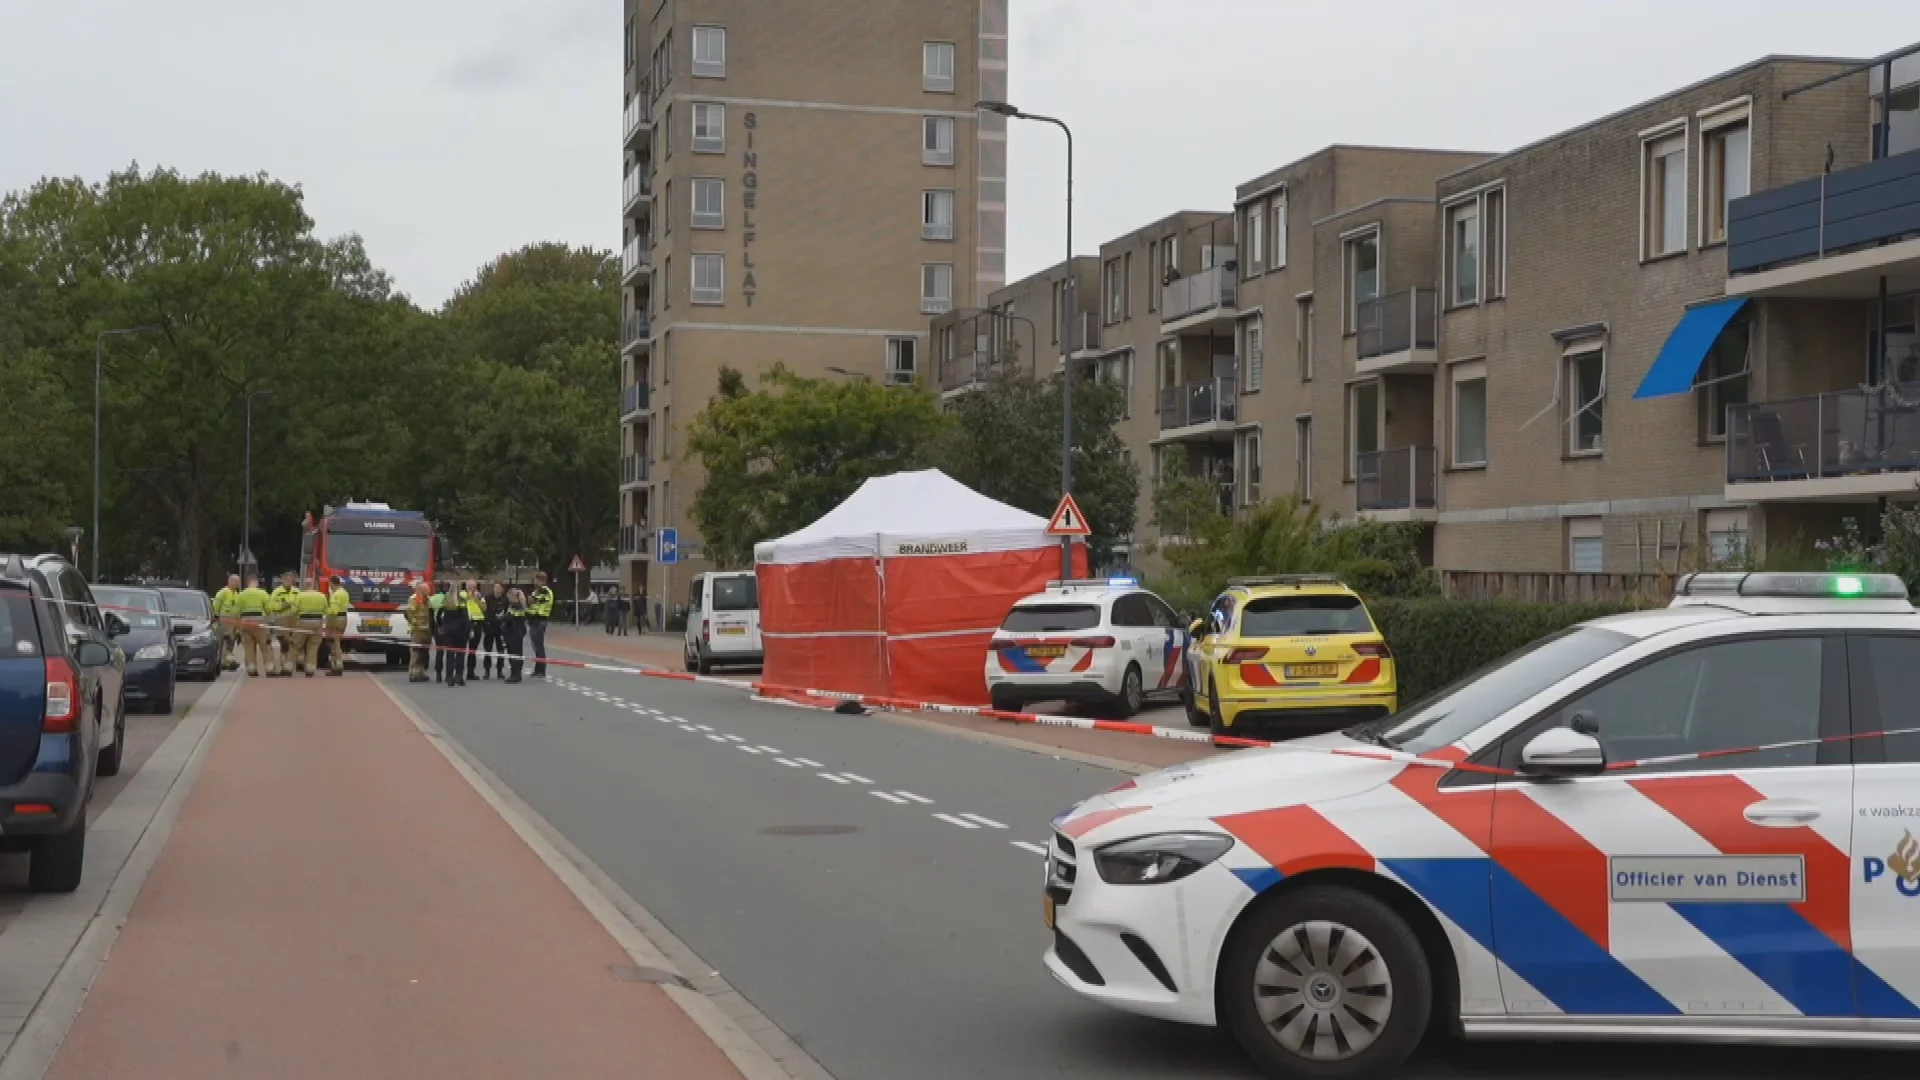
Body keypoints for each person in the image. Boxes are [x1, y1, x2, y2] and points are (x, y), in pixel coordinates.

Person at [236, 575, 272, 677]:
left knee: (249, 647)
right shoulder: (262, 593)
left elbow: (237, 611)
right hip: (259, 622)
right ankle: (269, 668)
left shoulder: (241, 595)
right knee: (265, 646)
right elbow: (268, 609)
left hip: (245, 622)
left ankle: (252, 669)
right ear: (256, 583)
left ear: (248, 583)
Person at [293, 577, 329, 676]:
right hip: (317, 623)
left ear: (305, 585)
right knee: (313, 647)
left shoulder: (300, 596)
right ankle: (310, 669)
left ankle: (293, 665)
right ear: (313, 585)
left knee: (297, 645)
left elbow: (294, 610)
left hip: (303, 622)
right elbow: (326, 611)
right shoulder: (321, 596)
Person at [266, 572, 299, 677]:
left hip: (294, 619)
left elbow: (300, 604)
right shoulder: (277, 592)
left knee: (293, 642)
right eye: (287, 580)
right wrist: (283, 606)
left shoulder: (297, 592)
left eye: (291, 580)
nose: (289, 582)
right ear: (282, 580)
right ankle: (281, 664)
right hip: (281, 618)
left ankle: (288, 665)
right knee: (283, 641)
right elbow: (272, 606)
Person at [439, 581, 471, 687]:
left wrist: (441, 626)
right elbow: (465, 618)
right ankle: (459, 676)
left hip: (448, 631)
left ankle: (449, 677)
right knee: (460, 654)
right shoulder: (461, 601)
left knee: (450, 655)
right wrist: (468, 631)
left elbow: (438, 615)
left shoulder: (446, 600)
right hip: (460, 631)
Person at [404, 582, 434, 683]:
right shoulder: (414, 599)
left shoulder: (428, 600)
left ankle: (421, 672)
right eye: (427, 589)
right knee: (415, 653)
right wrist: (414, 623)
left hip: (426, 630)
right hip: (417, 631)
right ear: (421, 590)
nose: (429, 591)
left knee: (423, 654)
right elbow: (409, 613)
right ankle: (413, 673)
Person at [211, 573, 242, 671]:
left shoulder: (237, 594)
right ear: (230, 581)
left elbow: (238, 609)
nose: (237, 584)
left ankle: (226, 662)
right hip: (224, 621)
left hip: (234, 622)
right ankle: (227, 662)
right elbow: (216, 605)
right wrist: (215, 617)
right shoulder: (223, 592)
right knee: (225, 641)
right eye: (236, 582)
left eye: (238, 582)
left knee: (231, 642)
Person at [527, 571, 554, 677]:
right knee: (535, 646)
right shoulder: (537, 591)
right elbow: (531, 604)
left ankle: (541, 670)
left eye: (536, 580)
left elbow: (537, 601)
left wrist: (532, 599)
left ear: (542, 580)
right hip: (534, 620)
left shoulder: (545, 591)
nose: (535, 582)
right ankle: (537, 669)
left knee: (539, 646)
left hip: (540, 620)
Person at [324, 575, 351, 676]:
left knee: (334, 644)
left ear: (332, 583)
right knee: (337, 642)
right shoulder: (344, 592)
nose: (329, 586)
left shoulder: (336, 595)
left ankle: (337, 666)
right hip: (343, 618)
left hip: (336, 619)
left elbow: (333, 611)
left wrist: (326, 612)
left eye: (329, 584)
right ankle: (337, 665)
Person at [480, 581, 508, 678]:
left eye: (498, 588)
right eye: (495, 588)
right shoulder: (487, 598)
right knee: (488, 649)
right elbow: (483, 610)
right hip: (489, 627)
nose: (497, 590)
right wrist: (486, 623)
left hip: (500, 628)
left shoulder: (505, 600)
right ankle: (487, 671)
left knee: (501, 650)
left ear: (502, 589)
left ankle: (500, 670)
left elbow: (507, 612)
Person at [502, 588, 529, 683]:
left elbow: (511, 617)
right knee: (512, 653)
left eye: (509, 596)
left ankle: (516, 674)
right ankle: (514, 673)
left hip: (515, 632)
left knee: (515, 653)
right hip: (512, 632)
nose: (508, 598)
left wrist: (502, 618)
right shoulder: (513, 605)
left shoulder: (518, 606)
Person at [462, 579, 485, 680]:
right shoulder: (462, 595)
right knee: (461, 648)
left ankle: (470, 672)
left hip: (476, 624)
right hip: (465, 624)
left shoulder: (479, 595)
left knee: (472, 650)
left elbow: (484, 608)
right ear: (466, 587)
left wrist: (476, 599)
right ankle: (459, 671)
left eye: (474, 587)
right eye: (470, 586)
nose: (472, 589)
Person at [429, 583, 449, 683]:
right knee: (450, 652)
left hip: (438, 627)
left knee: (439, 652)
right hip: (448, 627)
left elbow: (431, 615)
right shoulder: (450, 599)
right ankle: (449, 675)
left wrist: (433, 629)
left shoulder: (433, 599)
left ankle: (438, 675)